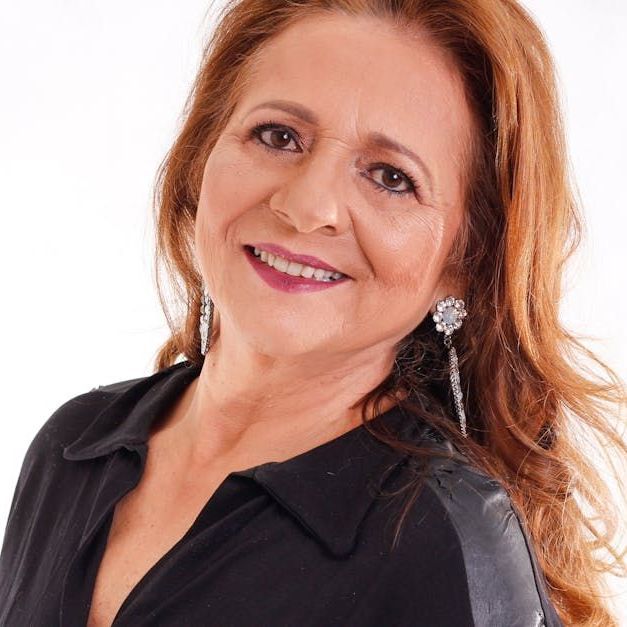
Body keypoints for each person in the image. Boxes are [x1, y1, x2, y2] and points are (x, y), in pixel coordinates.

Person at [1, 1, 625, 625]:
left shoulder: (442, 540)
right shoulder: (72, 447)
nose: (306, 205)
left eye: (389, 177)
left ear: (466, 260)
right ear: (201, 157)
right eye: (278, 137)